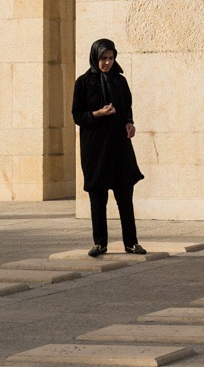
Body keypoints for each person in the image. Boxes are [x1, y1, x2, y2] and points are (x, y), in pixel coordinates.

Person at [71, 38, 144, 257]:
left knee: (124, 195)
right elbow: (77, 115)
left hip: (119, 147)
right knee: (98, 196)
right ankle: (100, 243)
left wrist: (129, 123)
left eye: (111, 58)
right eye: (103, 58)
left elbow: (127, 107)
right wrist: (98, 114)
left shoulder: (120, 82)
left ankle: (131, 242)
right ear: (95, 57)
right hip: (95, 149)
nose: (107, 63)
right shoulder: (83, 83)